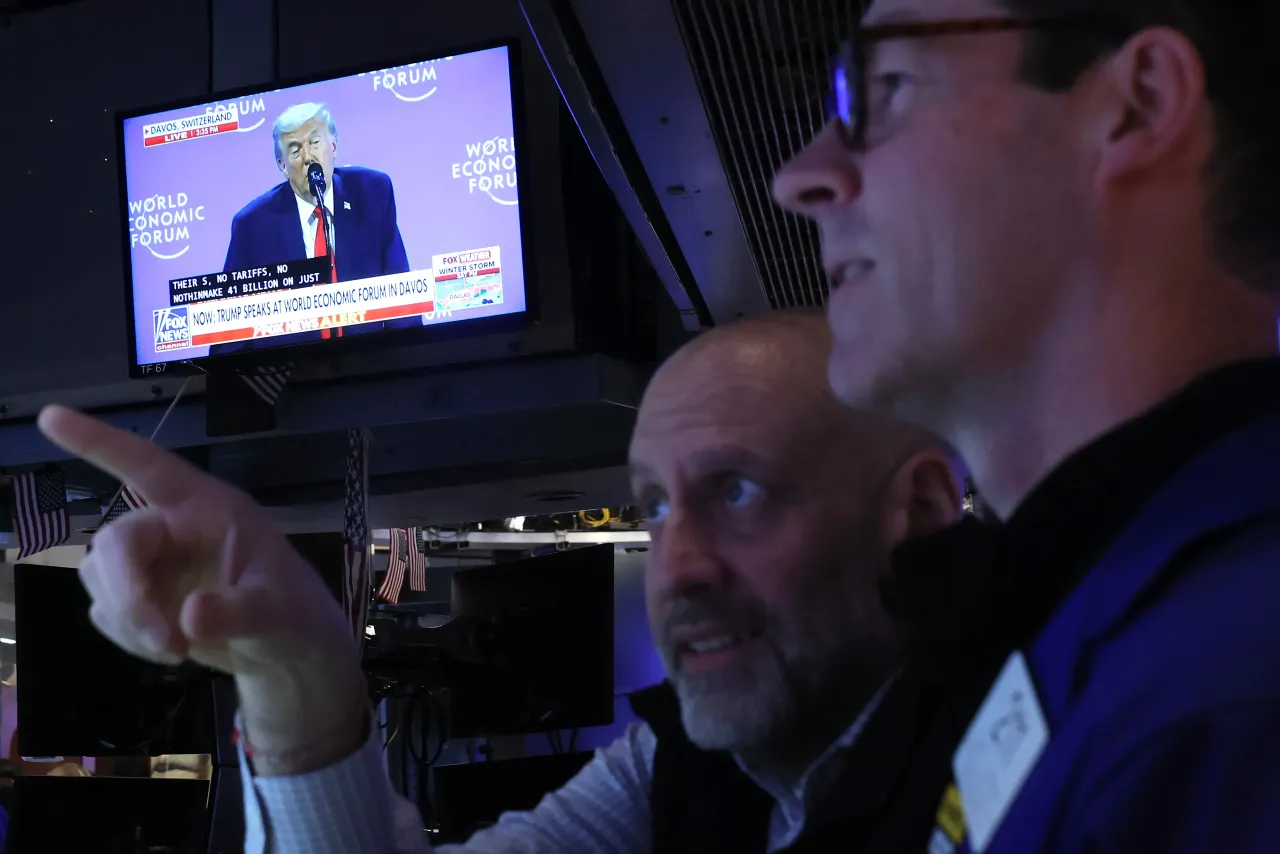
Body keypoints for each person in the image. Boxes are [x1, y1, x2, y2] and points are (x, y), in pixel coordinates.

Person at [34, 311, 966, 853]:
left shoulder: (1057, 733)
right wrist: (296, 674)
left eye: (741, 490)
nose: (675, 568)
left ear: (919, 510)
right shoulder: (674, 767)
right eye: (655, 507)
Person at [772, 0, 1280, 851]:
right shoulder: (1083, 611)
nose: (800, 177)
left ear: (1138, 105)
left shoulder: (1226, 698)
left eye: (884, 87)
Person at [211, 102, 414, 354]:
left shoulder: (372, 193)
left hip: (367, 364)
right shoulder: (253, 226)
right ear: (283, 166)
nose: (308, 157)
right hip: (293, 374)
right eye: (295, 151)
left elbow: (401, 297)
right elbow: (229, 329)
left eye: (315, 143)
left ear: (334, 146)